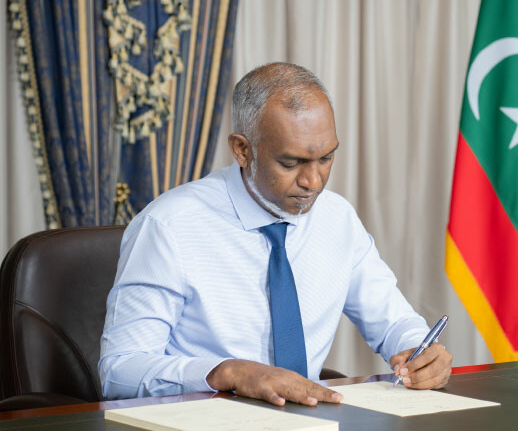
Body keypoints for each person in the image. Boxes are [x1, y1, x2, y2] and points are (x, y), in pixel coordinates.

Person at [99, 62, 453, 406]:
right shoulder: (168, 227)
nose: (313, 182)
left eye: (326, 158)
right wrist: (228, 373)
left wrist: (419, 351)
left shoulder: (337, 218)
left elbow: (393, 321)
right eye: (290, 163)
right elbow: (118, 372)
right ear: (242, 150)